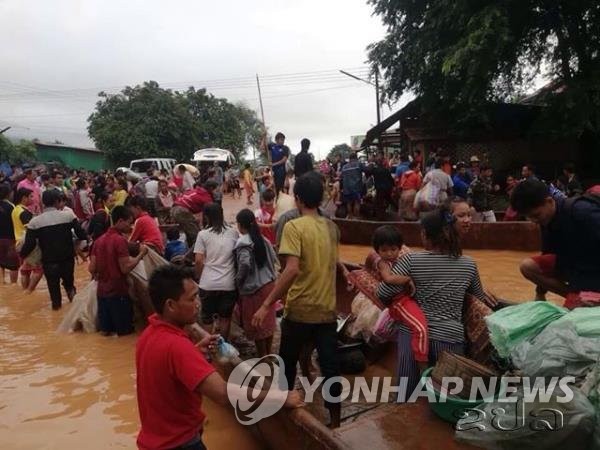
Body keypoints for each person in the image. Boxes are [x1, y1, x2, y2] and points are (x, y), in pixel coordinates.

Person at [136, 265, 303, 450]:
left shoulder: (148, 335)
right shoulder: (178, 347)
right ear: (170, 305)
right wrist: (279, 398)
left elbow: (166, 376)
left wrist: (195, 353)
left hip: (154, 441)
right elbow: (223, 394)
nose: (198, 303)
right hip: (179, 443)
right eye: (192, 298)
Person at [253, 172, 345, 428]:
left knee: (287, 364)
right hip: (327, 310)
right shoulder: (332, 228)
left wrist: (265, 303)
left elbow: (291, 269)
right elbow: (331, 264)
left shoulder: (293, 226)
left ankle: (286, 414)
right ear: (322, 198)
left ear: (298, 199)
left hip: (300, 310)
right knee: (330, 367)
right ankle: (336, 422)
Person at [377, 206, 488, 395]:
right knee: (445, 396)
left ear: (426, 235)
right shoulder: (468, 264)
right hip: (451, 338)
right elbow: (479, 298)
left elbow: (383, 293)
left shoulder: (411, 260)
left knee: (406, 395)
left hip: (412, 336)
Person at [511, 179, 600, 306]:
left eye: (536, 215)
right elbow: (547, 253)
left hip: (593, 268)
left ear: (549, 201)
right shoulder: (546, 220)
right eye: (529, 217)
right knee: (528, 267)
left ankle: (587, 299)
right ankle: (576, 297)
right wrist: (540, 293)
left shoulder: (583, 212)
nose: (534, 221)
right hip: (577, 266)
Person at [370, 226, 427, 371]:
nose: (389, 253)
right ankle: (422, 363)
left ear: (399, 248)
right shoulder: (382, 263)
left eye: (393, 249)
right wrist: (407, 279)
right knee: (420, 328)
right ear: (378, 251)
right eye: (384, 250)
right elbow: (388, 279)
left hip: (404, 300)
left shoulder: (402, 259)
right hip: (399, 303)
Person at [20, 189, 88, 310]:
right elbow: (81, 234)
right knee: (70, 286)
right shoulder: (69, 216)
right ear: (57, 201)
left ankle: (56, 313)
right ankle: (75, 311)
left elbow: (29, 245)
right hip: (67, 259)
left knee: (54, 292)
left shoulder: (35, 222)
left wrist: (21, 255)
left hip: (49, 262)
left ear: (43, 202)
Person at [89, 206, 148, 336]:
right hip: (118, 294)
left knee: (105, 334)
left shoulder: (98, 242)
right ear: (120, 221)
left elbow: (91, 268)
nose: (130, 226)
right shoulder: (119, 241)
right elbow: (125, 268)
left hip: (102, 295)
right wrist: (140, 255)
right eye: (129, 222)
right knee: (124, 335)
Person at [234, 209, 278, 357]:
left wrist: (238, 281)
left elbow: (245, 264)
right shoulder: (263, 240)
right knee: (268, 323)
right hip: (269, 287)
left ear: (240, 225)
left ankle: (263, 357)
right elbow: (274, 260)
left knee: (257, 325)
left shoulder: (243, 242)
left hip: (254, 290)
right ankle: (269, 354)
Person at [194, 203, 239, 340]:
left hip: (207, 284)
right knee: (225, 318)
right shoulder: (233, 232)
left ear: (206, 217)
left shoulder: (203, 235)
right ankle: (222, 346)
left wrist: (201, 278)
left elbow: (198, 261)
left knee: (207, 318)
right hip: (228, 284)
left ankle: (208, 349)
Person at [12, 187, 43, 291]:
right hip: (27, 242)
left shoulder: (15, 209)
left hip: (18, 242)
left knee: (25, 269)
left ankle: (25, 291)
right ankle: (29, 291)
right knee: (38, 268)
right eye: (31, 196)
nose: (33, 198)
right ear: (24, 198)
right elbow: (30, 229)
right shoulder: (24, 212)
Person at [170, 181, 216, 247]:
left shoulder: (197, 190)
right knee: (197, 237)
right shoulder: (206, 196)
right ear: (211, 188)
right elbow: (211, 214)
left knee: (190, 232)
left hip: (175, 209)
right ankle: (193, 255)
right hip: (182, 211)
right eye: (216, 189)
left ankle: (190, 249)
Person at [0, 184, 18, 284]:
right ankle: (13, 286)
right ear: (8, 194)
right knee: (13, 265)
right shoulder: (11, 207)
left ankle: (2, 283)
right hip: (10, 239)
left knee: (0, 263)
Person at [370, 151, 395, 220]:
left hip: (380, 189)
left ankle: (379, 217)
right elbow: (391, 179)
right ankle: (396, 210)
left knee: (379, 203)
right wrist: (393, 186)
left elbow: (368, 173)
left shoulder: (375, 170)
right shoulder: (386, 170)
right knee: (389, 199)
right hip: (387, 188)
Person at [341, 152, 364, 219]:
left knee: (349, 203)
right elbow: (367, 170)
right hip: (356, 188)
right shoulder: (358, 164)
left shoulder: (344, 167)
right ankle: (356, 217)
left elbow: (342, 176)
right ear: (356, 158)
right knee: (357, 202)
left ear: (350, 158)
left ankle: (350, 217)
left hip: (347, 188)